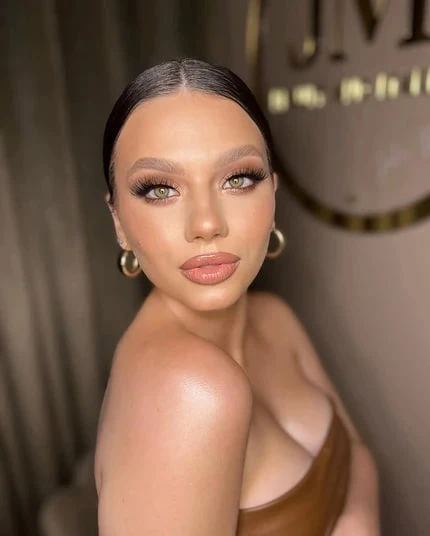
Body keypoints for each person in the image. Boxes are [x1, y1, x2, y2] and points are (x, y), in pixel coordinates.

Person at [94, 58, 379, 535]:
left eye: (238, 179)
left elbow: (359, 454)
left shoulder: (274, 318)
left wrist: (356, 521)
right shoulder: (187, 391)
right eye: (160, 189)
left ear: (273, 195)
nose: (207, 223)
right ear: (119, 221)